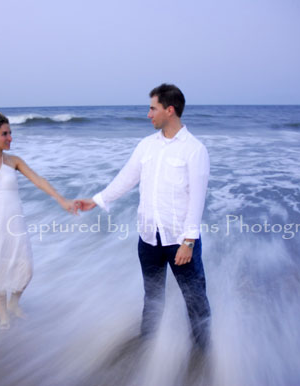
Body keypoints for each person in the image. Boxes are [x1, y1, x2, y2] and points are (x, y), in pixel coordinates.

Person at [76, 84, 211, 348]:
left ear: (169, 110)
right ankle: (148, 348)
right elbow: (126, 179)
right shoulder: (146, 146)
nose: (148, 114)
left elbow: (197, 199)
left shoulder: (194, 150)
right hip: (148, 238)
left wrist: (188, 241)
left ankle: (203, 354)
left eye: (153, 108)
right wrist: (96, 200)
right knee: (152, 297)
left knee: (195, 300)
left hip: (179, 241)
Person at [0, 112, 77, 329]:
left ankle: (14, 303)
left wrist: (61, 200)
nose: (10, 138)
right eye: (5, 134)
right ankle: (3, 315)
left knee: (26, 268)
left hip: (14, 223)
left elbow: (39, 180)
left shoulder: (15, 161)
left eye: (10, 133)